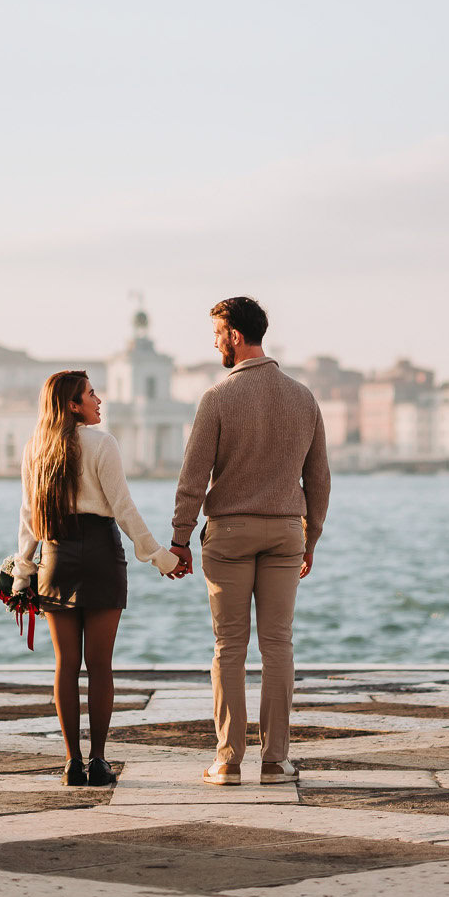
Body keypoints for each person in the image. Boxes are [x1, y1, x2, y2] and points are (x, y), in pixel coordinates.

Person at [170, 297, 330, 785]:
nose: (215, 341)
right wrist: (312, 537)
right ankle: (277, 761)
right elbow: (318, 477)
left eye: (218, 332)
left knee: (229, 646)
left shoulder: (217, 398)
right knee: (278, 644)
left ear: (235, 336)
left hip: (231, 534)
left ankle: (228, 760)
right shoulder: (303, 397)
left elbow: (193, 477)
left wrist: (179, 538)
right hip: (286, 532)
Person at [16, 369, 180, 787]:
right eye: (91, 394)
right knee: (100, 665)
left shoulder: (36, 447)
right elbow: (123, 509)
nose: (99, 400)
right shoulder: (103, 443)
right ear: (73, 405)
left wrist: (23, 569)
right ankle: (99, 761)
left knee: (65, 665)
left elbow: (30, 517)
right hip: (102, 555)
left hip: (55, 557)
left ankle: (72, 763)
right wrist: (160, 558)